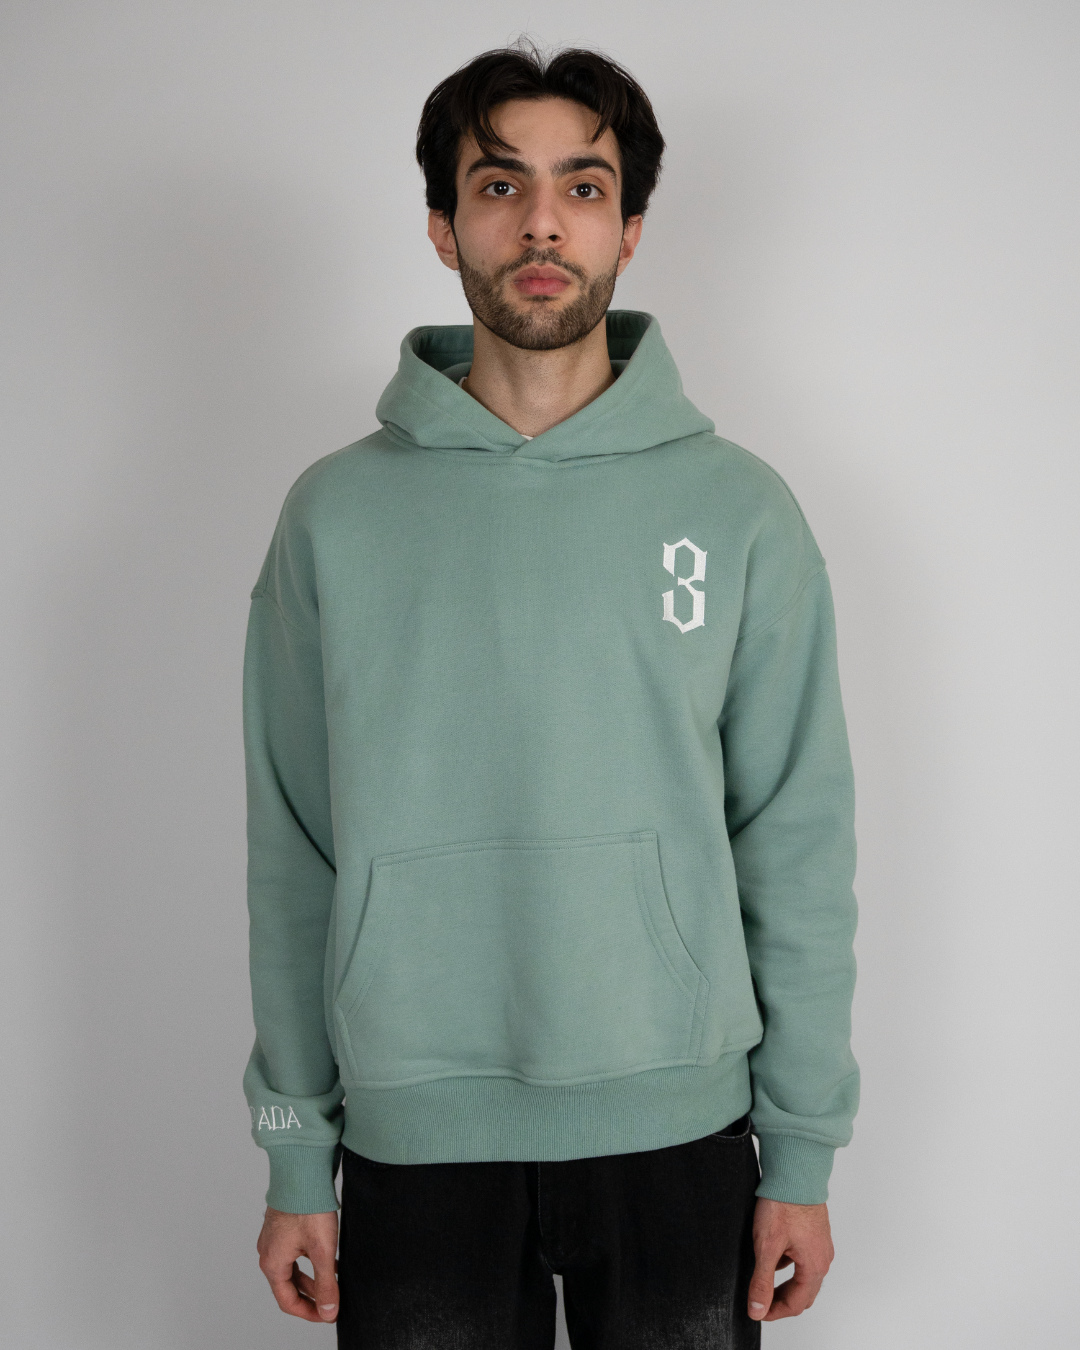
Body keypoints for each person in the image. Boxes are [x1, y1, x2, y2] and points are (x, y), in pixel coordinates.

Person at [242, 41, 859, 1349]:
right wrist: (296, 1147)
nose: (540, 223)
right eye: (498, 185)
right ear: (442, 224)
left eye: (583, 187)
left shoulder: (738, 510)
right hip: (414, 1135)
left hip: (683, 1129)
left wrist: (802, 1147)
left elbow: (796, 839)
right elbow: (293, 846)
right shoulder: (334, 515)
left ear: (629, 230)